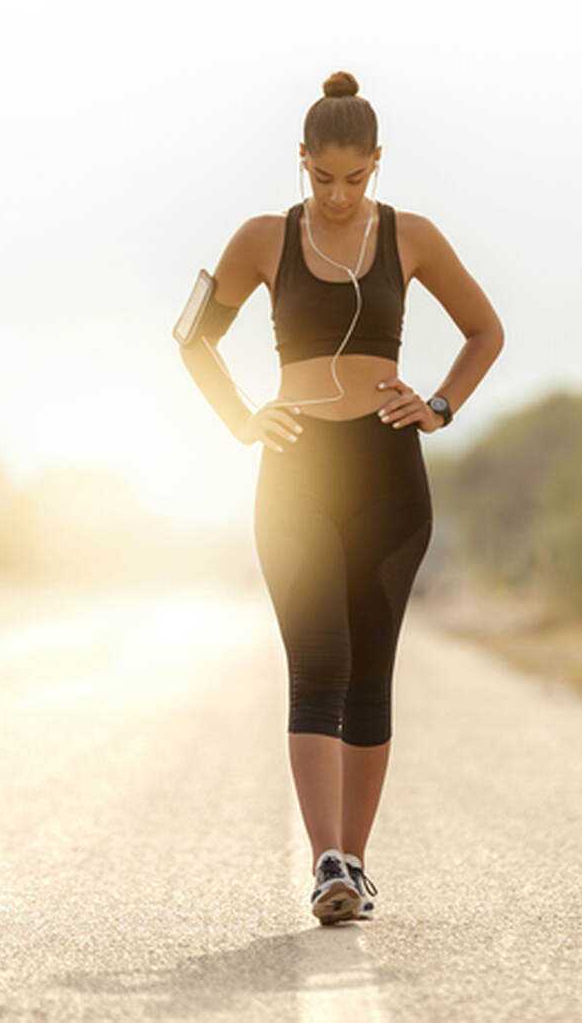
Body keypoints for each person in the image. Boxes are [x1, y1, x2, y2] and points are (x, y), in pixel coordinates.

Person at [178, 70, 504, 924]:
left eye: (354, 179)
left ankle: (354, 866)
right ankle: (325, 857)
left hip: (389, 473)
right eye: (322, 178)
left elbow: (485, 330)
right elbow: (194, 341)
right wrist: (242, 419)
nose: (336, 195)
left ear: (376, 165)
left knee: (369, 674)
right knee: (316, 663)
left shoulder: (412, 236)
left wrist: (438, 406)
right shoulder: (262, 238)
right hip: (295, 466)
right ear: (302, 162)